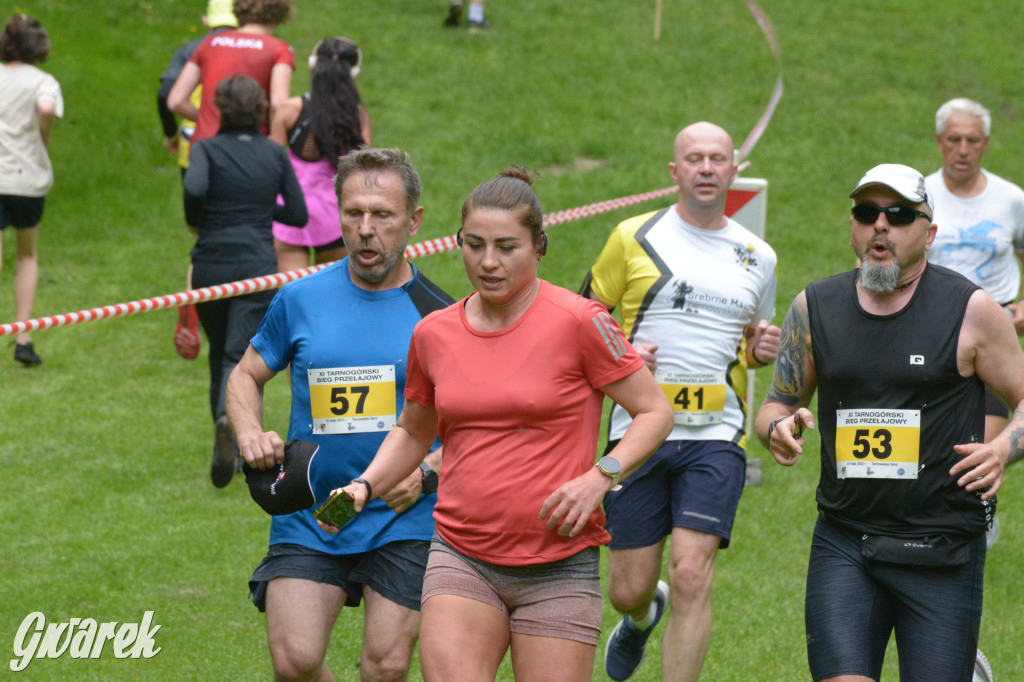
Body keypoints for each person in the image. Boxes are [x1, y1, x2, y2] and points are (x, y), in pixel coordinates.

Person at [321, 167, 673, 681]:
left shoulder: (581, 322)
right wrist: (364, 486)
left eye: (506, 247)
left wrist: (601, 475)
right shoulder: (434, 334)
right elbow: (414, 431)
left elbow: (655, 411)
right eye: (474, 245)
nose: (487, 262)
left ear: (539, 247)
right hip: (461, 556)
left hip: (558, 562)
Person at [756, 163, 1024, 682]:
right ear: (853, 226)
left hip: (941, 546)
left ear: (929, 233)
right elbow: (776, 404)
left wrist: (1002, 449)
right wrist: (777, 429)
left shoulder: (971, 311)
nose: (881, 226)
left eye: (899, 215)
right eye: (867, 212)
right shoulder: (815, 307)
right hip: (845, 541)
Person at [226, 147, 454, 681]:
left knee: (387, 665)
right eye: (354, 214)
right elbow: (244, 376)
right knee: (295, 662)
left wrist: (428, 471)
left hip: (403, 519)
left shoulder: (441, 317)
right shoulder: (300, 298)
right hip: (312, 511)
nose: (366, 230)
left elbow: (477, 426)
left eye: (383, 215)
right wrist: (249, 432)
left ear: (413, 221)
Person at [581, 121, 780, 681]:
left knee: (693, 573)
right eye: (695, 158)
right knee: (627, 589)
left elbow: (750, 341)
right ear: (675, 172)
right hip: (640, 428)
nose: (707, 168)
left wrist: (761, 348)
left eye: (718, 158)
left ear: (734, 170)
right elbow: (580, 321)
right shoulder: (633, 237)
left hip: (717, 435)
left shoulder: (757, 255)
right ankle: (642, 617)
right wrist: (619, 357)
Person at [184, 75, 307, 488]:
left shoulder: (204, 149)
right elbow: (299, 214)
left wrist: (200, 218)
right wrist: (258, 209)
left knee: (220, 350)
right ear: (259, 111)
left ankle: (224, 427)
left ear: (219, 107)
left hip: (211, 266)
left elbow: (195, 186)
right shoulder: (274, 154)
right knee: (240, 354)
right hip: (257, 265)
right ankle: (232, 431)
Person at [924, 97, 1024, 447]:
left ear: (986, 143)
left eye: (973, 140)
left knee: (975, 457)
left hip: (992, 334)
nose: (963, 150)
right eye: (954, 140)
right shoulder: (920, 197)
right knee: (923, 450)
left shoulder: (1012, 199)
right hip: (928, 332)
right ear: (940, 141)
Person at [155, 0, 238, 361]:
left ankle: (193, 304)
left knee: (205, 235)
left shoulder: (192, 48)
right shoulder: (249, 51)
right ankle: (230, 309)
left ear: (206, 19)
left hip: (195, 153)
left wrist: (172, 135)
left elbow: (165, 95)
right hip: (237, 152)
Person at [269, 36, 371, 273]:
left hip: (290, 214)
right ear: (353, 74)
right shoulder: (358, 117)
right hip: (336, 220)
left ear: (313, 66)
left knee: (292, 297)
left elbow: (271, 166)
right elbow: (363, 169)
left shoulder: (289, 110)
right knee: (332, 299)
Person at [0, 14, 63, 366]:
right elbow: (46, 107)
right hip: (27, 180)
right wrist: (45, 132)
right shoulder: (44, 81)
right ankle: (22, 337)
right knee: (27, 255)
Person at [167, 0, 295, 144]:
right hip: (251, 147)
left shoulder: (209, 43)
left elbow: (176, 101)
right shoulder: (279, 49)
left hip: (206, 145)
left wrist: (206, 120)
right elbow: (278, 104)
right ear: (278, 15)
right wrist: (276, 140)